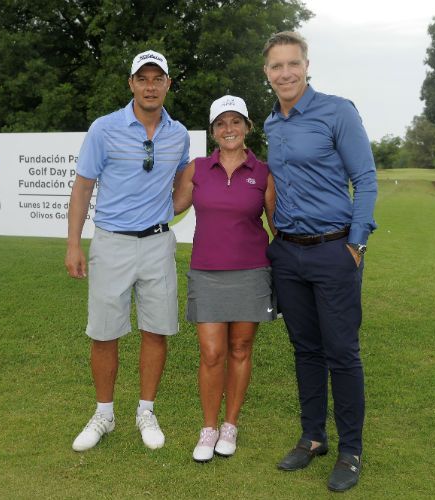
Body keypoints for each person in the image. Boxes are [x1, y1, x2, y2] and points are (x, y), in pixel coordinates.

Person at [261, 31, 377, 492]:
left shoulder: (337, 110)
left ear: (307, 65)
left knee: (342, 352)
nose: (285, 73)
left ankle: (350, 449)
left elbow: (365, 179)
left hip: (334, 250)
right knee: (305, 350)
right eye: (276, 66)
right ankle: (313, 438)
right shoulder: (271, 123)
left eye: (293, 63)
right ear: (266, 73)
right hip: (289, 253)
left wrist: (356, 244)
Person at [65, 50, 190, 452]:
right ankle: (104, 413)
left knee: (156, 330)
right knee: (104, 333)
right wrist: (73, 245)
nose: (150, 86)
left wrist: (164, 213)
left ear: (168, 83)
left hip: (157, 243)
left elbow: (183, 184)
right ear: (131, 84)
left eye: (158, 78)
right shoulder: (104, 129)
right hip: (111, 243)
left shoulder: (179, 133)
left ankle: (146, 411)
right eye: (143, 78)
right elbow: (82, 188)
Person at [173, 95, 276, 462]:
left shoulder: (263, 172)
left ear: (247, 127)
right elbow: (171, 206)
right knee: (212, 352)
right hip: (207, 272)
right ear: (213, 131)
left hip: (251, 272)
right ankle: (209, 427)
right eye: (221, 123)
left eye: (236, 122)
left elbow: (276, 226)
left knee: (240, 349)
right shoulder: (197, 168)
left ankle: (230, 425)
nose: (228, 129)